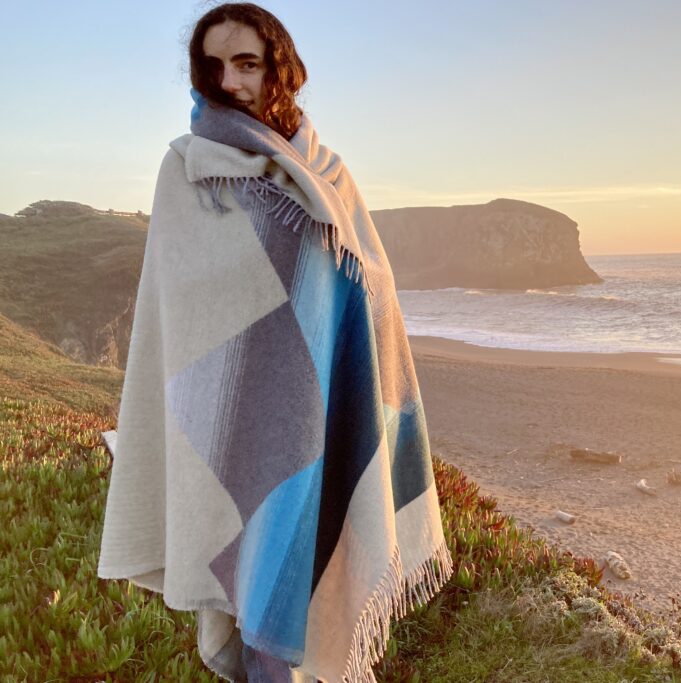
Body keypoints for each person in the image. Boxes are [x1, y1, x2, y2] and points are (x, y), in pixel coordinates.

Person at [97, 4, 454, 682]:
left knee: (301, 598)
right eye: (215, 65)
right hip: (238, 426)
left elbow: (369, 284)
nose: (230, 80)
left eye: (247, 63)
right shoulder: (186, 170)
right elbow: (179, 307)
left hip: (313, 415)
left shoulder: (329, 175)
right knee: (257, 595)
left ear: (277, 70)